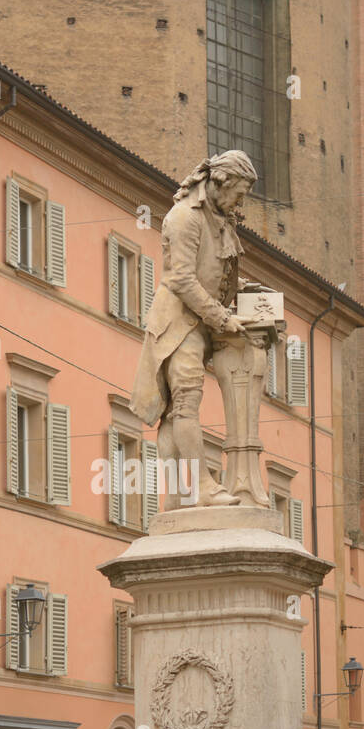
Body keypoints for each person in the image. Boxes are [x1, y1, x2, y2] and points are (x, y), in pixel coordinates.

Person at [130, 149, 258, 507]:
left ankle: (169, 502)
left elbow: (209, 270)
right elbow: (183, 279)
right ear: (222, 182)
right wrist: (221, 317)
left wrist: (242, 289)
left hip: (194, 324)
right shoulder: (184, 217)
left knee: (174, 412)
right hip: (177, 322)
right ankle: (202, 485)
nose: (240, 201)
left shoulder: (216, 218)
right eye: (240, 193)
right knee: (185, 403)